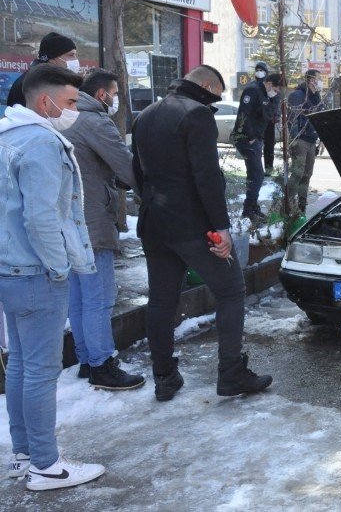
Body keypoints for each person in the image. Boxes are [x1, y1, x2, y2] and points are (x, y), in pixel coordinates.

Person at [131, 65, 272, 402]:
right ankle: (231, 373)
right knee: (232, 289)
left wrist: (152, 202)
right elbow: (207, 176)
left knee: (162, 299)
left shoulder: (146, 114)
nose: (217, 100)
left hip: (155, 223)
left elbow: (136, 170)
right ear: (207, 85)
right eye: (218, 95)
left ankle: (164, 377)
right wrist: (220, 229)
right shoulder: (197, 115)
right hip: (194, 226)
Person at [0, 63, 105, 490]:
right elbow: (41, 216)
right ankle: (46, 465)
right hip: (36, 273)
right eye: (69, 102)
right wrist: (59, 268)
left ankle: (25, 454)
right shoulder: (41, 143)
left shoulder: (7, 136)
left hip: (11, 270)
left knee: (23, 365)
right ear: (45, 101)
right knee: (40, 370)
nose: (73, 110)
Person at [62, 71, 144, 391]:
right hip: (93, 220)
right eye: (114, 93)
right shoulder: (95, 121)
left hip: (67, 221)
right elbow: (127, 166)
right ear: (101, 95)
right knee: (100, 297)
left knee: (79, 297)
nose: (116, 100)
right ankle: (102, 364)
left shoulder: (65, 116)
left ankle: (87, 359)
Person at [232, 62, 280, 221]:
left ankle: (252, 206)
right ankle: (248, 208)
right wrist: (251, 136)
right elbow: (243, 115)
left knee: (255, 174)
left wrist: (274, 99)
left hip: (257, 138)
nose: (277, 92)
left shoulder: (269, 95)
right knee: (257, 174)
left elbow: (269, 115)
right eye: (275, 89)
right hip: (246, 138)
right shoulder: (253, 90)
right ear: (269, 83)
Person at [7, 32, 81, 108]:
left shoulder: (54, 80)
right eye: (71, 55)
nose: (75, 60)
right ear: (53, 58)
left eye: (75, 55)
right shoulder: (31, 83)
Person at [287, 69, 324, 212]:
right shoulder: (298, 95)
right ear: (311, 80)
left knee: (307, 173)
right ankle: (289, 204)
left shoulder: (317, 96)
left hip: (311, 140)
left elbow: (320, 118)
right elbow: (292, 119)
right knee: (298, 173)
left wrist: (321, 138)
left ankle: (302, 205)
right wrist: (294, 139)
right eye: (318, 78)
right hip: (300, 139)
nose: (320, 81)